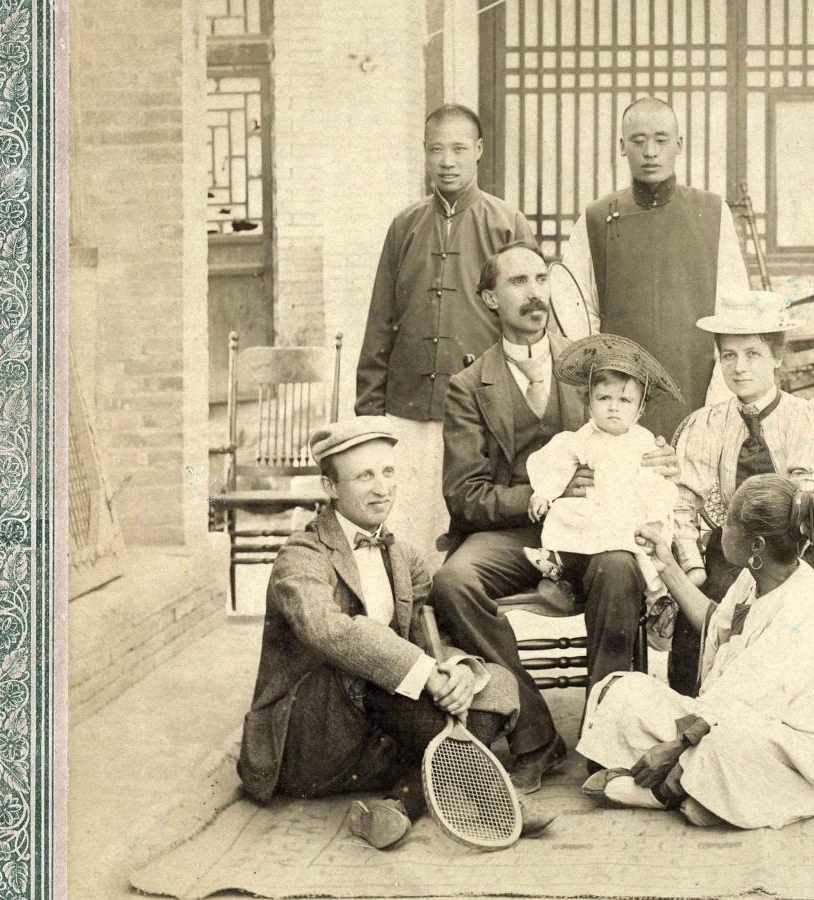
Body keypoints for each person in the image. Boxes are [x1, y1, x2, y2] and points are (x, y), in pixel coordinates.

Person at [236, 417, 552, 850]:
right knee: (368, 653)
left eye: (388, 472)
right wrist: (426, 674)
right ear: (330, 488)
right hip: (314, 740)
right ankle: (492, 794)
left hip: (379, 738)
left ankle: (397, 806)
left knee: (494, 680)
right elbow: (331, 631)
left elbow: (429, 636)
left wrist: (456, 669)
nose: (382, 488)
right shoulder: (300, 556)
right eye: (364, 476)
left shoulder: (403, 555)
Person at [433, 242, 680, 793]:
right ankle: (536, 735)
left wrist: (658, 460)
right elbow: (465, 496)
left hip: (598, 528)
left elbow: (635, 442)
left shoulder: (591, 368)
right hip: (513, 532)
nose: (535, 292)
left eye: (541, 279)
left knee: (619, 566)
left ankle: (606, 738)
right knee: (453, 582)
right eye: (518, 282)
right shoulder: (469, 386)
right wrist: (539, 495)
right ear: (490, 298)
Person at [575, 474, 814, 829]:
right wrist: (667, 567)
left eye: (730, 523)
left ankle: (663, 793)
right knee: (619, 689)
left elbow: (744, 709)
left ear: (757, 545)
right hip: (719, 716)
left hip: (785, 748)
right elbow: (715, 627)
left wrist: (674, 746)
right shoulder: (757, 577)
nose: (721, 529)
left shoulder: (801, 609)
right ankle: (703, 790)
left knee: (724, 741)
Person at [667, 291, 814, 762]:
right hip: (733, 544)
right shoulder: (706, 424)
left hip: (805, 541)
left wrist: (788, 519)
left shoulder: (809, 418)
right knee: (705, 614)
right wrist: (693, 565)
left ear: (777, 356)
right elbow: (683, 501)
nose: (740, 368)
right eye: (729, 355)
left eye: (753, 354)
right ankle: (704, 730)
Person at [355, 104, 537, 551]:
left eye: (458, 148)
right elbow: (381, 319)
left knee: (469, 531)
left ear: (477, 150)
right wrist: (370, 409)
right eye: (436, 149)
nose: (447, 161)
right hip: (408, 408)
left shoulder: (505, 223)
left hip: (480, 407)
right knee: (407, 528)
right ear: (424, 153)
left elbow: (531, 322)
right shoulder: (405, 226)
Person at [557, 96, 751, 437]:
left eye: (661, 140)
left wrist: (719, 397)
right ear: (622, 146)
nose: (650, 151)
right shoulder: (596, 218)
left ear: (678, 144)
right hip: (620, 397)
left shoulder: (711, 211)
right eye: (638, 140)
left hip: (698, 383)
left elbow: (733, 310)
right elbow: (577, 315)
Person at [523, 334, 685, 646]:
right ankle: (561, 576)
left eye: (624, 401)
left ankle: (658, 601)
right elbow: (555, 463)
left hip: (629, 514)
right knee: (568, 526)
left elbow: (656, 483)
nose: (613, 408)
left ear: (638, 411)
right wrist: (543, 492)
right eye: (604, 399)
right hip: (594, 512)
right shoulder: (580, 439)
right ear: (589, 403)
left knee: (643, 551)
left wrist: (653, 516)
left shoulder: (644, 443)